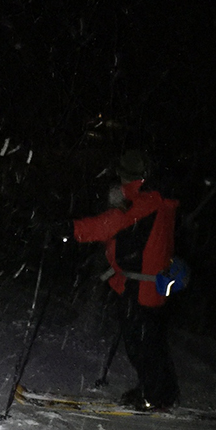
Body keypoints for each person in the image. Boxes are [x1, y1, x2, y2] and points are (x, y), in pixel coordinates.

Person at [73, 150, 180, 410]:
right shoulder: (157, 198)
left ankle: (157, 396)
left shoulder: (145, 202)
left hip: (142, 285)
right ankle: (159, 390)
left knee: (141, 343)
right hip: (150, 282)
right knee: (148, 340)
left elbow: (109, 225)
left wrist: (71, 229)